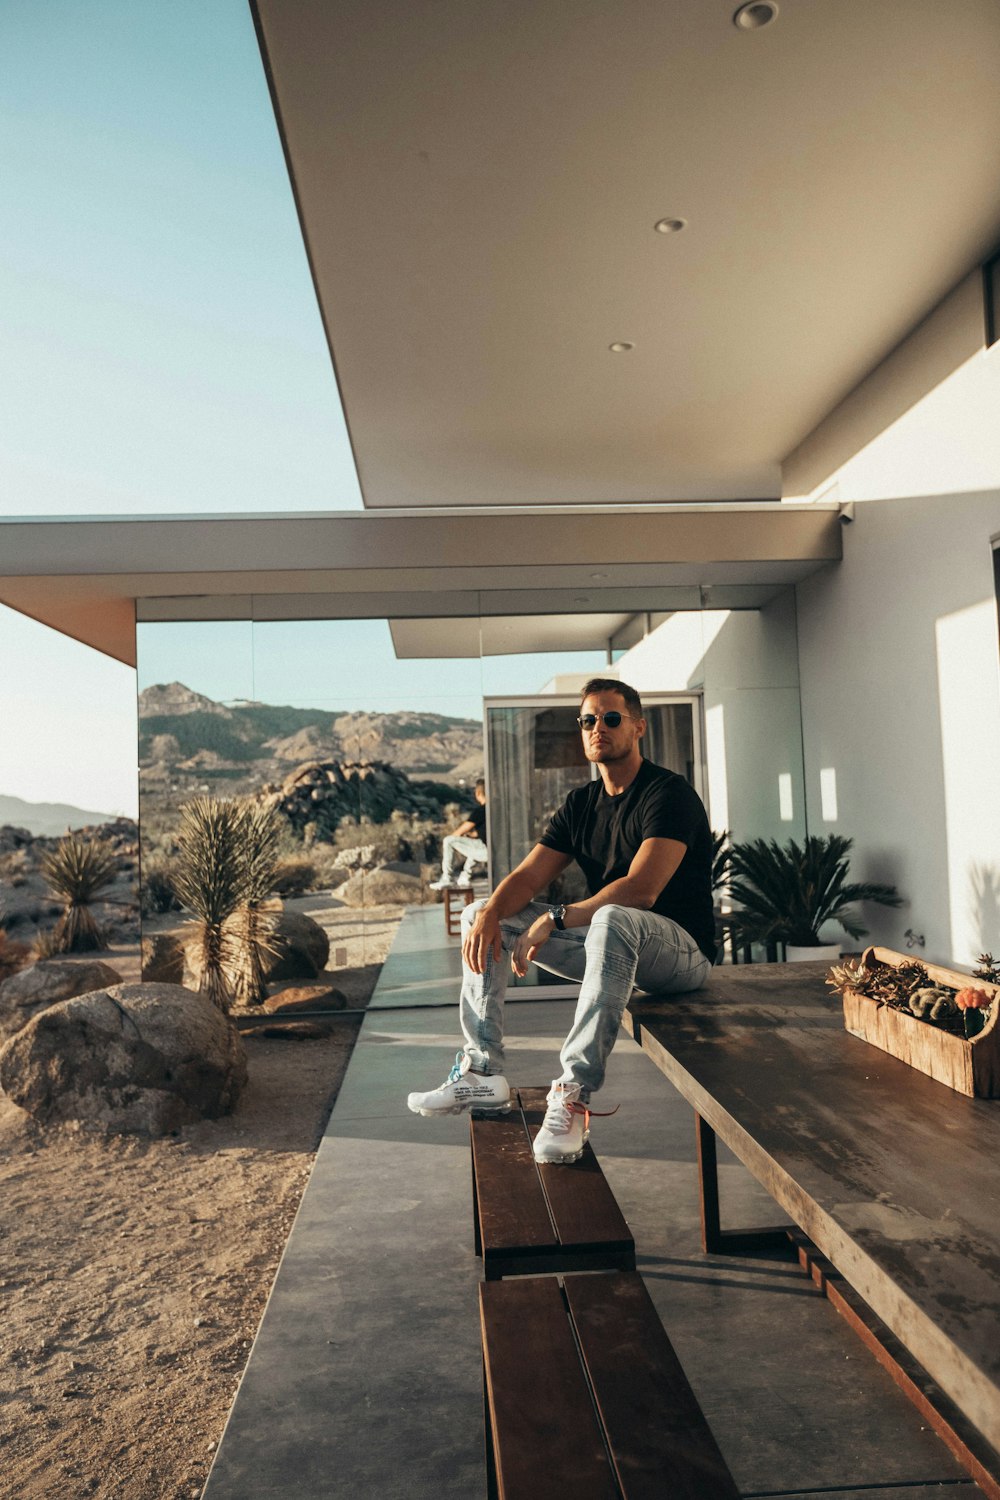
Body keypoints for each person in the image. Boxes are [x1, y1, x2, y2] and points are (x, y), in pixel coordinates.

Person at [408, 679, 715, 1163]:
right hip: (611, 950)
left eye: (611, 718)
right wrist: (490, 913)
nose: (598, 728)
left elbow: (642, 889)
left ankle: (573, 1094)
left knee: (616, 915)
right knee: (479, 914)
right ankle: (483, 1073)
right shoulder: (581, 805)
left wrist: (556, 917)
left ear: (638, 727)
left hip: (679, 958)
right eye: (589, 720)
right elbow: (529, 876)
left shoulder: (669, 795)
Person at [429, 778, 488, 890]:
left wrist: (457, 836)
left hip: (486, 852)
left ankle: (447, 878)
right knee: (473, 844)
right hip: (494, 850)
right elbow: (480, 833)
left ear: (478, 793)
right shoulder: (494, 810)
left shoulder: (481, 811)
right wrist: (469, 836)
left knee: (448, 841)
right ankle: (465, 876)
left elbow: (460, 831)